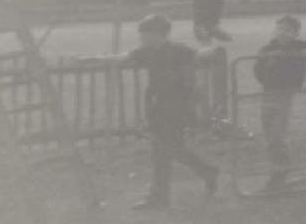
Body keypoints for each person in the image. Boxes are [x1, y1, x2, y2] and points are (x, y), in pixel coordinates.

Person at [74, 14, 219, 209]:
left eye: (146, 34)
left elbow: (196, 68)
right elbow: (121, 58)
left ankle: (159, 197)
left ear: (159, 34)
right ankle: (207, 171)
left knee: (162, 152)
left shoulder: (180, 51)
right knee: (172, 149)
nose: (142, 38)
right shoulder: (146, 52)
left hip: (177, 106)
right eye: (142, 35)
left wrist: (210, 47)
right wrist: (93, 59)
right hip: (158, 107)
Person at [253, 15, 306, 192]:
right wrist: (272, 63)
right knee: (268, 134)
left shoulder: (299, 45)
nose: (283, 33)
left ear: (296, 33)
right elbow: (258, 70)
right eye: (279, 29)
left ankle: (280, 173)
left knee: (277, 135)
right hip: (268, 93)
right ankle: (276, 170)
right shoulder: (267, 48)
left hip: (285, 94)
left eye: (288, 30)